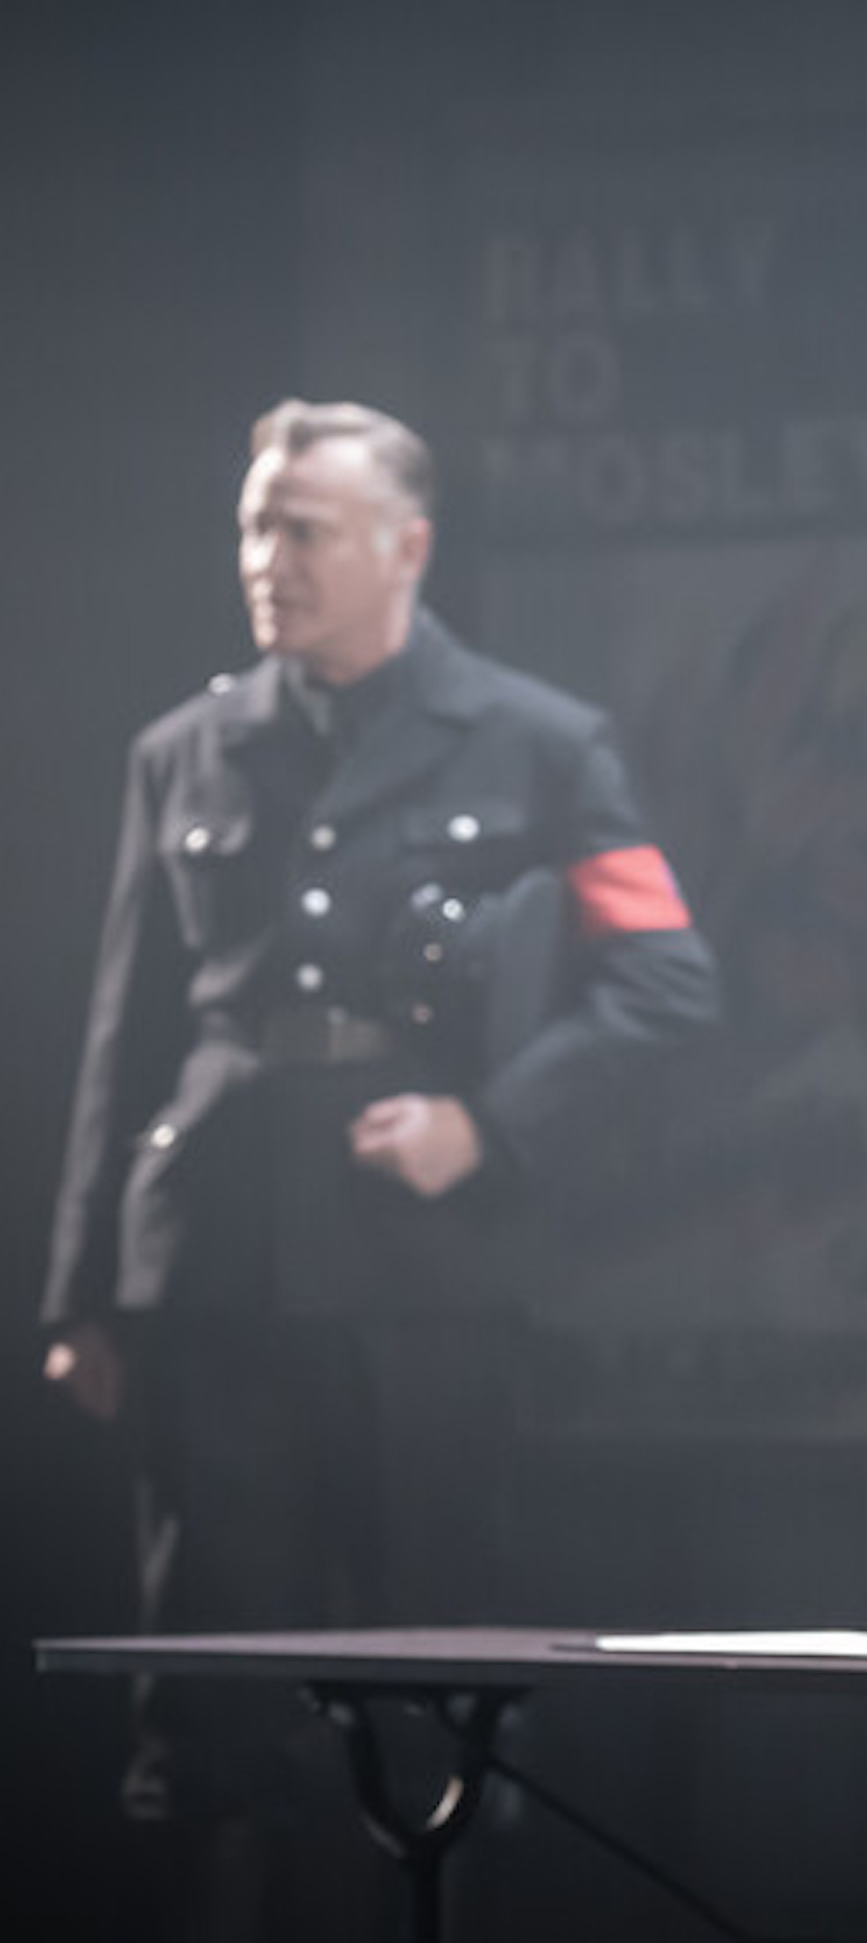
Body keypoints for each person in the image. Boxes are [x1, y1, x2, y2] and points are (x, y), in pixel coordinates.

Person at [37, 398, 719, 1934]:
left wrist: (489, 1122)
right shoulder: (187, 750)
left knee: (439, 1682)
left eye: (304, 529)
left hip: (426, 1278)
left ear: (406, 546)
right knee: (206, 1692)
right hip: (211, 1266)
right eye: (253, 526)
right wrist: (80, 1290)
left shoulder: (544, 744)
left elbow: (666, 978)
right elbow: (125, 1034)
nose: (265, 559)